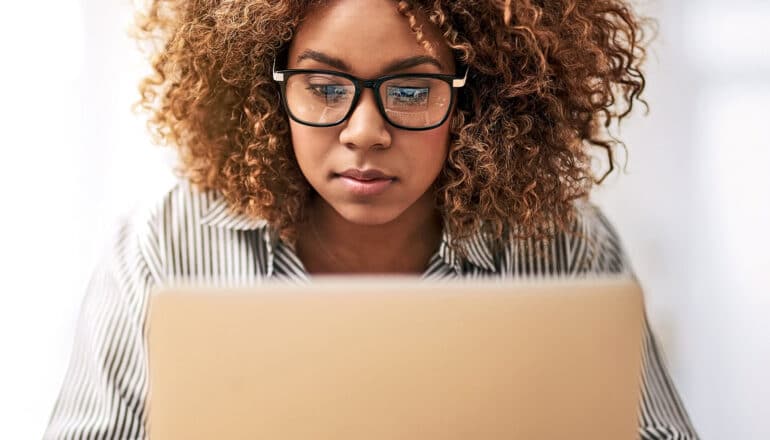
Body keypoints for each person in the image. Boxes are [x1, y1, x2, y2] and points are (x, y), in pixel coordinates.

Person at [44, 0, 698, 438]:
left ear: (481, 96)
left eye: (411, 90)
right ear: (268, 85)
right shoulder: (167, 243)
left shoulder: (563, 244)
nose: (364, 132)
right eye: (325, 88)